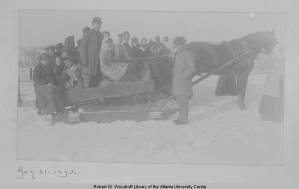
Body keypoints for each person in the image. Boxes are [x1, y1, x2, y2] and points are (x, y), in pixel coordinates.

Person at [172, 36, 196, 125]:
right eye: (177, 45)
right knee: (179, 101)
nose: (178, 46)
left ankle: (184, 120)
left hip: (183, 81)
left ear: (183, 45)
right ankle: (180, 118)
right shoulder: (177, 54)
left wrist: (183, 76)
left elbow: (192, 68)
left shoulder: (187, 53)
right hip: (177, 81)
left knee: (183, 101)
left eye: (180, 45)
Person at [259, 44, 285, 123]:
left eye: (282, 51)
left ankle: (275, 116)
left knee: (277, 95)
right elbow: (268, 68)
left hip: (279, 81)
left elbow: (283, 71)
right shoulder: (273, 59)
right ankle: (267, 115)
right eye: (280, 51)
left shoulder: (285, 60)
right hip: (271, 79)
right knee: (269, 94)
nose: (281, 53)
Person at [79, 17, 104, 88]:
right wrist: (85, 61)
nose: (98, 25)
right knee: (89, 84)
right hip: (89, 64)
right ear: (93, 24)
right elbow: (82, 48)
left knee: (98, 83)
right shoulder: (87, 34)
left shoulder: (101, 35)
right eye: (96, 24)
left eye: (99, 24)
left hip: (98, 64)